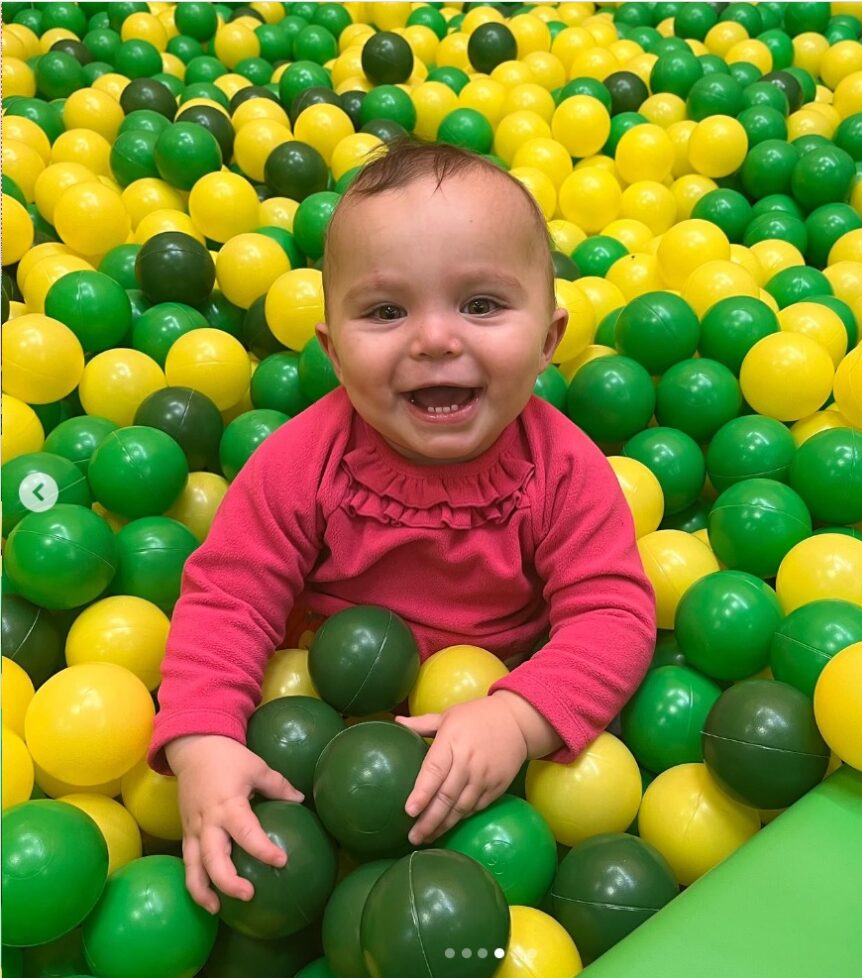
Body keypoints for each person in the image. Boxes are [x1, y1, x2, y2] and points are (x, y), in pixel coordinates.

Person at [150, 139, 656, 914]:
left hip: (498, 724)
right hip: (319, 723)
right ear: (333, 352)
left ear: (549, 341)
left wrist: (519, 718)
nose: (435, 340)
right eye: (386, 311)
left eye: (481, 305)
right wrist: (204, 739)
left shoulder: (564, 471)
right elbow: (231, 598)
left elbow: (613, 614)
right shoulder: (301, 462)